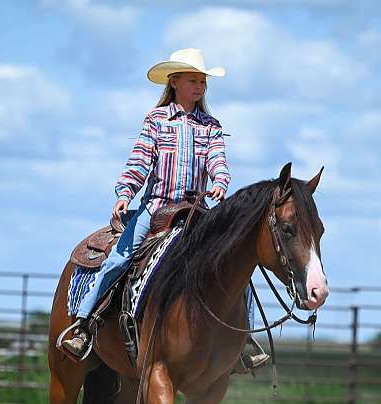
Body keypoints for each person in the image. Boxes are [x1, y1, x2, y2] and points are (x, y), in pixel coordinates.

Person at [63, 48, 268, 371]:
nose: (200, 86)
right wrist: (125, 193)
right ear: (174, 82)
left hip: (197, 213)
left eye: (203, 81)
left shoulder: (210, 126)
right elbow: (140, 161)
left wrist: (220, 181)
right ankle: (85, 324)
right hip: (157, 207)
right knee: (119, 258)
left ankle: (244, 339)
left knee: (236, 262)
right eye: (193, 80)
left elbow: (218, 160)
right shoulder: (156, 120)